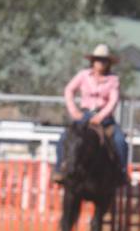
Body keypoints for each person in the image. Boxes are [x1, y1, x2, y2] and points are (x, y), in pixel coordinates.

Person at [54, 43, 128, 184]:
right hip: (84, 115)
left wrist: (101, 116)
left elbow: (113, 100)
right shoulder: (83, 75)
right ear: (93, 61)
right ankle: (60, 169)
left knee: (120, 141)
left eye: (104, 60)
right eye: (98, 59)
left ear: (109, 63)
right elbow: (69, 90)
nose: (100, 63)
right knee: (64, 138)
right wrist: (74, 111)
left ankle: (121, 173)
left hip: (105, 118)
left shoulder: (113, 80)